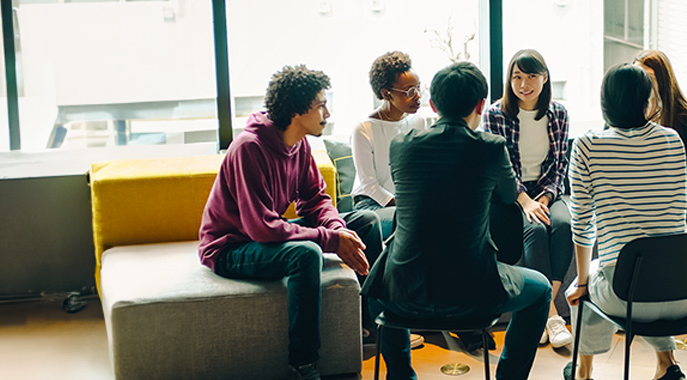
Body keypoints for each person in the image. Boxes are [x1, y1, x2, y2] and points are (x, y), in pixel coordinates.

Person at [362, 61, 551, 380]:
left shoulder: (401, 146)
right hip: (474, 293)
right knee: (542, 289)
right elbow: (507, 196)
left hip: (405, 292)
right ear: (480, 105)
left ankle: (401, 375)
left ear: (433, 104)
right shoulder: (491, 148)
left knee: (377, 286)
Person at [198, 65, 384, 380]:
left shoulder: (300, 145)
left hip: (260, 235)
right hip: (231, 246)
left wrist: (338, 230)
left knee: (364, 221)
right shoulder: (249, 148)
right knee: (306, 254)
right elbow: (262, 228)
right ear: (298, 111)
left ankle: (373, 324)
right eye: (321, 105)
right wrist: (330, 241)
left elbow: (315, 200)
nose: (328, 112)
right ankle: (302, 363)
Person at [564, 63, 687, 380]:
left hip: (628, 294)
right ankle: (667, 363)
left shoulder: (587, 146)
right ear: (647, 101)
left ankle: (583, 373)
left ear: (604, 102)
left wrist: (581, 283)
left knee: (581, 291)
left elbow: (582, 225)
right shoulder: (673, 140)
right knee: (643, 271)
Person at [480, 48, 574, 348]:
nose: (524, 84)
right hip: (512, 193)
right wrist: (525, 201)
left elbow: (561, 164)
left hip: (547, 189)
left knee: (562, 224)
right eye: (517, 77)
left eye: (531, 76)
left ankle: (545, 310)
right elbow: (501, 168)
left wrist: (545, 197)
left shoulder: (559, 113)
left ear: (545, 78)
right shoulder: (495, 114)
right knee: (533, 229)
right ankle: (552, 315)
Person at [351, 51, 427, 239]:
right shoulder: (364, 129)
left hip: (407, 202)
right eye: (410, 91)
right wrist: (407, 205)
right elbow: (370, 185)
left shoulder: (419, 122)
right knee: (414, 223)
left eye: (418, 88)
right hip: (371, 205)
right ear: (387, 94)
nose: (417, 96)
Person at [635, 50, 687, 231]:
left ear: (662, 79)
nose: (642, 82)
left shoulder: (686, 119)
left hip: (681, 197)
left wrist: (665, 188)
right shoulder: (632, 112)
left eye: (648, 77)